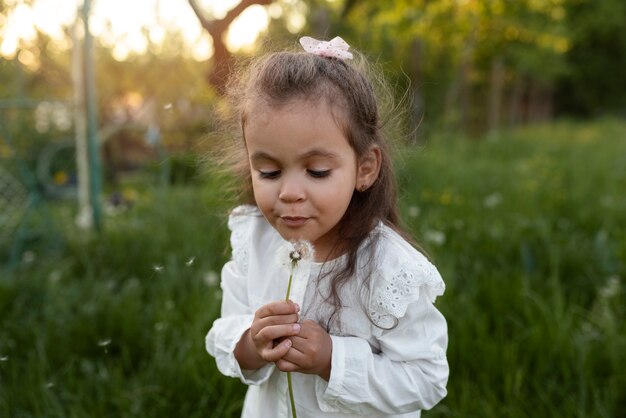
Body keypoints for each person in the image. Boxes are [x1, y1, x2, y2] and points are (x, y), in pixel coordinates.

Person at [206, 36, 448, 417]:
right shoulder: (253, 239)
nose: (289, 192)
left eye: (317, 171)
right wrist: (251, 344)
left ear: (364, 168)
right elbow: (225, 329)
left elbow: (426, 377)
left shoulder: (390, 270)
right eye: (268, 171)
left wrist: (333, 359)